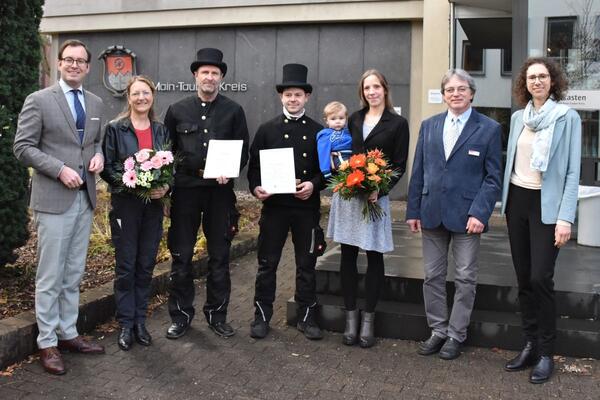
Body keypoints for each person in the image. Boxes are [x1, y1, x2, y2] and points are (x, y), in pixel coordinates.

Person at [13, 39, 106, 375]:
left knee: (73, 273)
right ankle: (47, 342)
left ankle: (68, 333)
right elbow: (22, 147)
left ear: (88, 66)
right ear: (59, 62)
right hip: (54, 200)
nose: (75, 65)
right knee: (50, 275)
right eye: (69, 59)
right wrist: (58, 168)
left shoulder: (95, 101)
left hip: (84, 199)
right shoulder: (39, 100)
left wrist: (99, 156)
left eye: (81, 61)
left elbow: (94, 142)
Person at [406, 68, 502, 360]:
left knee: (464, 278)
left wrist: (480, 213)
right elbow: (419, 170)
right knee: (432, 276)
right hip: (431, 212)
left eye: (462, 89)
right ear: (444, 95)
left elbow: (493, 177)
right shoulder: (429, 125)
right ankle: (437, 329)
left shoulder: (488, 128)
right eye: (450, 89)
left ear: (472, 93)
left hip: (467, 217)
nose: (456, 94)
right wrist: (413, 209)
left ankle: (456, 334)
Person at [500, 57, 580, 384]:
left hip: (547, 207)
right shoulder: (519, 117)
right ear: (525, 83)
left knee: (540, 278)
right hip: (517, 201)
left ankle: (547, 352)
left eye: (543, 76)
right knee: (523, 279)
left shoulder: (567, 117)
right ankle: (530, 343)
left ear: (553, 81)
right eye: (531, 77)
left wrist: (566, 218)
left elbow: (573, 171)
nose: (537, 81)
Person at [163, 48, 249, 339]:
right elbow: (167, 153)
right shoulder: (177, 110)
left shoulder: (233, 111)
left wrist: (232, 169)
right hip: (186, 191)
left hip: (219, 192)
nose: (209, 77)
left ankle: (217, 314)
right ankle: (181, 316)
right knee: (182, 255)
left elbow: (243, 151)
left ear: (221, 77)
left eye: (215, 73)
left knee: (219, 256)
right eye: (205, 72)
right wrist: (166, 190)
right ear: (195, 76)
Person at [328, 69, 409, 348]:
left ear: (385, 89)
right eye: (366, 88)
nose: (371, 92)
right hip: (349, 197)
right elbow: (339, 152)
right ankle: (351, 319)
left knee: (374, 257)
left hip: (375, 198)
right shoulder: (354, 119)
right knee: (347, 256)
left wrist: (380, 188)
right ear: (361, 92)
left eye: (376, 87)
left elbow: (399, 164)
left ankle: (368, 321)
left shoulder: (398, 123)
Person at [247, 63, 326, 340]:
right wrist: (257, 188)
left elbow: (326, 172)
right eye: (288, 94)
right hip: (275, 209)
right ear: (281, 97)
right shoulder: (267, 129)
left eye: (298, 94)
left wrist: (313, 185)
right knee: (267, 263)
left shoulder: (319, 132)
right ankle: (261, 316)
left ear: (307, 97)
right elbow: (253, 167)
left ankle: (306, 316)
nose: (293, 99)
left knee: (307, 263)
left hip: (306, 208)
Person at [101, 76, 170, 351]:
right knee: (126, 266)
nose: (141, 98)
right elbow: (108, 167)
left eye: (146, 93)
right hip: (126, 205)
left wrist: (165, 187)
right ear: (128, 98)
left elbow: (169, 165)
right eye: (136, 93)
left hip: (152, 207)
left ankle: (141, 321)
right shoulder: (115, 129)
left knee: (145, 265)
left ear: (152, 96)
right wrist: (134, 182)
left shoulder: (161, 130)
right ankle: (126, 324)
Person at [316, 101, 353, 179]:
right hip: (339, 157)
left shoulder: (349, 131)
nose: (337, 121)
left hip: (352, 156)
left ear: (346, 119)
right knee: (349, 176)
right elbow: (323, 152)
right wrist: (325, 170)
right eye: (333, 119)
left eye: (341, 118)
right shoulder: (325, 134)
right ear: (326, 121)